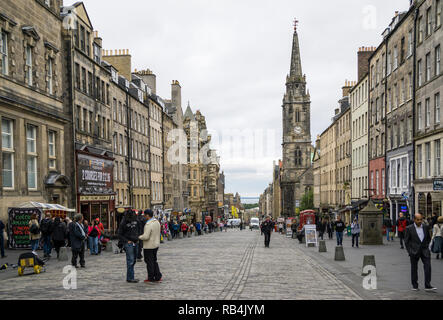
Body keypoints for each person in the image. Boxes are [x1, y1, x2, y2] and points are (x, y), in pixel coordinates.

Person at [405, 213, 436, 291]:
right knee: (414, 268)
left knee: (428, 267)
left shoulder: (425, 227)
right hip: (414, 251)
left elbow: (428, 238)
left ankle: (428, 285)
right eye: (418, 220)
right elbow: (406, 241)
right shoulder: (409, 228)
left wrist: (427, 247)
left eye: (421, 219)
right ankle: (415, 285)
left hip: (425, 250)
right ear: (414, 220)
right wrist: (410, 251)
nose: (419, 221)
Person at [139, 209, 162, 283]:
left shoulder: (149, 224)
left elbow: (146, 236)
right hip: (156, 244)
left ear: (148, 215)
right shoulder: (156, 222)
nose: (144, 217)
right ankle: (158, 275)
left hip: (149, 245)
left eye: (145, 215)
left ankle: (151, 277)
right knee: (154, 261)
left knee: (149, 262)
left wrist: (139, 237)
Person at [118, 210, 140, 283]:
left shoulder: (136, 220)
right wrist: (126, 241)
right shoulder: (123, 222)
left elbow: (140, 229)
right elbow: (120, 234)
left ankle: (131, 276)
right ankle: (130, 278)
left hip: (135, 242)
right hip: (128, 243)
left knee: (134, 260)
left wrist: (138, 237)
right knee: (130, 260)